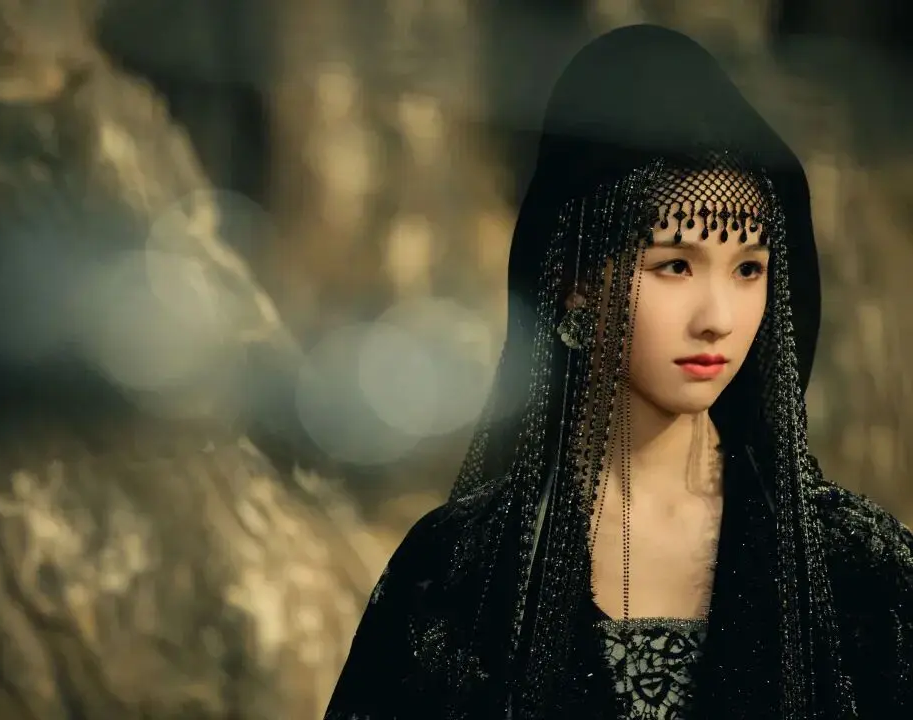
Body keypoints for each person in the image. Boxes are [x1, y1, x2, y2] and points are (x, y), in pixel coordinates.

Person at [322, 24, 913, 720]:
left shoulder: (856, 568)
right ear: (577, 281)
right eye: (675, 265)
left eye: (749, 269)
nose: (718, 317)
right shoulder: (460, 570)